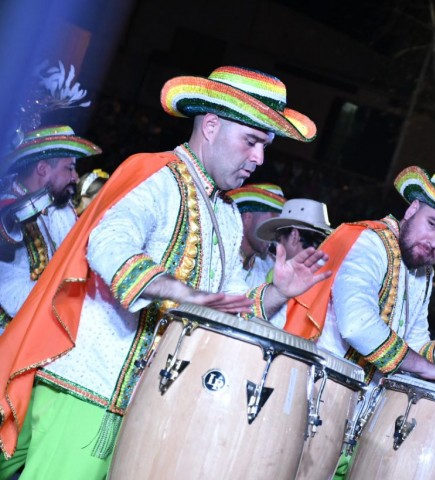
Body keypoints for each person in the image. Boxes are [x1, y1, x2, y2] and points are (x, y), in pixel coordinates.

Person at [0, 66, 329, 479]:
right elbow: (109, 245)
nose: (259, 159)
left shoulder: (226, 214)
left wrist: (277, 291)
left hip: (142, 405)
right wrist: (182, 291)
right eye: (251, 141)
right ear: (211, 126)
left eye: (265, 146)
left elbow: (229, 305)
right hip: (90, 390)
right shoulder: (155, 174)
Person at [284, 165, 435, 384]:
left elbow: (415, 348)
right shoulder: (369, 241)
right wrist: (425, 368)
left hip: (357, 398)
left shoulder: (423, 273)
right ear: (412, 210)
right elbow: (357, 325)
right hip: (312, 383)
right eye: (432, 224)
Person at [0, 125, 101, 334]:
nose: (75, 177)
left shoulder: (61, 208)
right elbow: (13, 294)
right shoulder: (8, 209)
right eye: (69, 168)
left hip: (55, 320)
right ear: (43, 169)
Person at [255, 198, 333, 328]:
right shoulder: (333, 272)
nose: (276, 247)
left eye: (278, 239)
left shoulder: (278, 275)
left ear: (294, 236)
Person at [227, 183, 286, 287]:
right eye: (271, 224)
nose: (276, 234)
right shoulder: (219, 258)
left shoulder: (267, 268)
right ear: (247, 218)